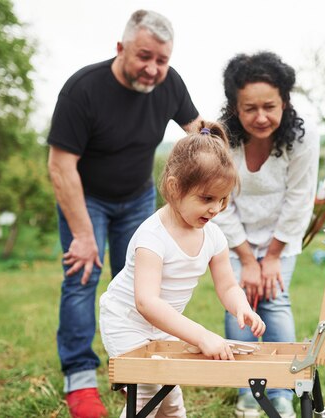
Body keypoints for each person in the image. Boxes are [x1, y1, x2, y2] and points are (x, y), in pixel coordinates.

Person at [47, 10, 201, 418]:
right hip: (87, 197)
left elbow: (198, 133)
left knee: (139, 286)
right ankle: (80, 380)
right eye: (144, 57)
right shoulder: (83, 89)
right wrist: (83, 234)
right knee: (83, 276)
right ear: (121, 49)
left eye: (162, 61)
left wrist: (216, 159)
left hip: (136, 196)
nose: (153, 70)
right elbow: (60, 166)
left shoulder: (171, 85)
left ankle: (132, 370)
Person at [99, 121, 265, 418]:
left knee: (170, 397)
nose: (215, 209)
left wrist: (242, 307)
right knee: (147, 393)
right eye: (206, 198)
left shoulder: (213, 236)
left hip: (163, 325)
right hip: (127, 322)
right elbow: (146, 302)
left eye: (222, 199)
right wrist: (201, 336)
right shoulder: (152, 237)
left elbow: (227, 286)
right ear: (175, 188)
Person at [213, 52, 320, 418]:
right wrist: (245, 258)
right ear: (235, 108)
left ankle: (282, 391)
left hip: (280, 238)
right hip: (234, 236)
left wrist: (271, 257)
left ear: (285, 102)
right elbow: (220, 202)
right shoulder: (222, 139)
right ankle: (245, 390)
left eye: (270, 106)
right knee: (238, 302)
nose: (261, 117)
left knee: (274, 301)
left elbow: (299, 201)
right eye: (250, 108)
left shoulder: (302, 139)